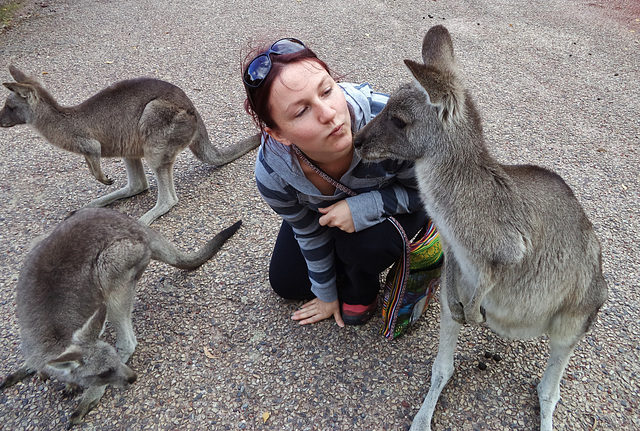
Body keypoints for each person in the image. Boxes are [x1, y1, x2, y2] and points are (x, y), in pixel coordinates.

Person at [242, 38, 428, 327]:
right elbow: (306, 231)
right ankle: (345, 252)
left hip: (406, 198)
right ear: (278, 133)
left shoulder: (393, 125)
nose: (329, 114)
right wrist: (326, 294)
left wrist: (364, 207)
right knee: (287, 284)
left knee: (363, 247)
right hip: (325, 212)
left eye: (327, 91)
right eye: (301, 111)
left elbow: (427, 195)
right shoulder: (273, 173)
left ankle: (364, 285)